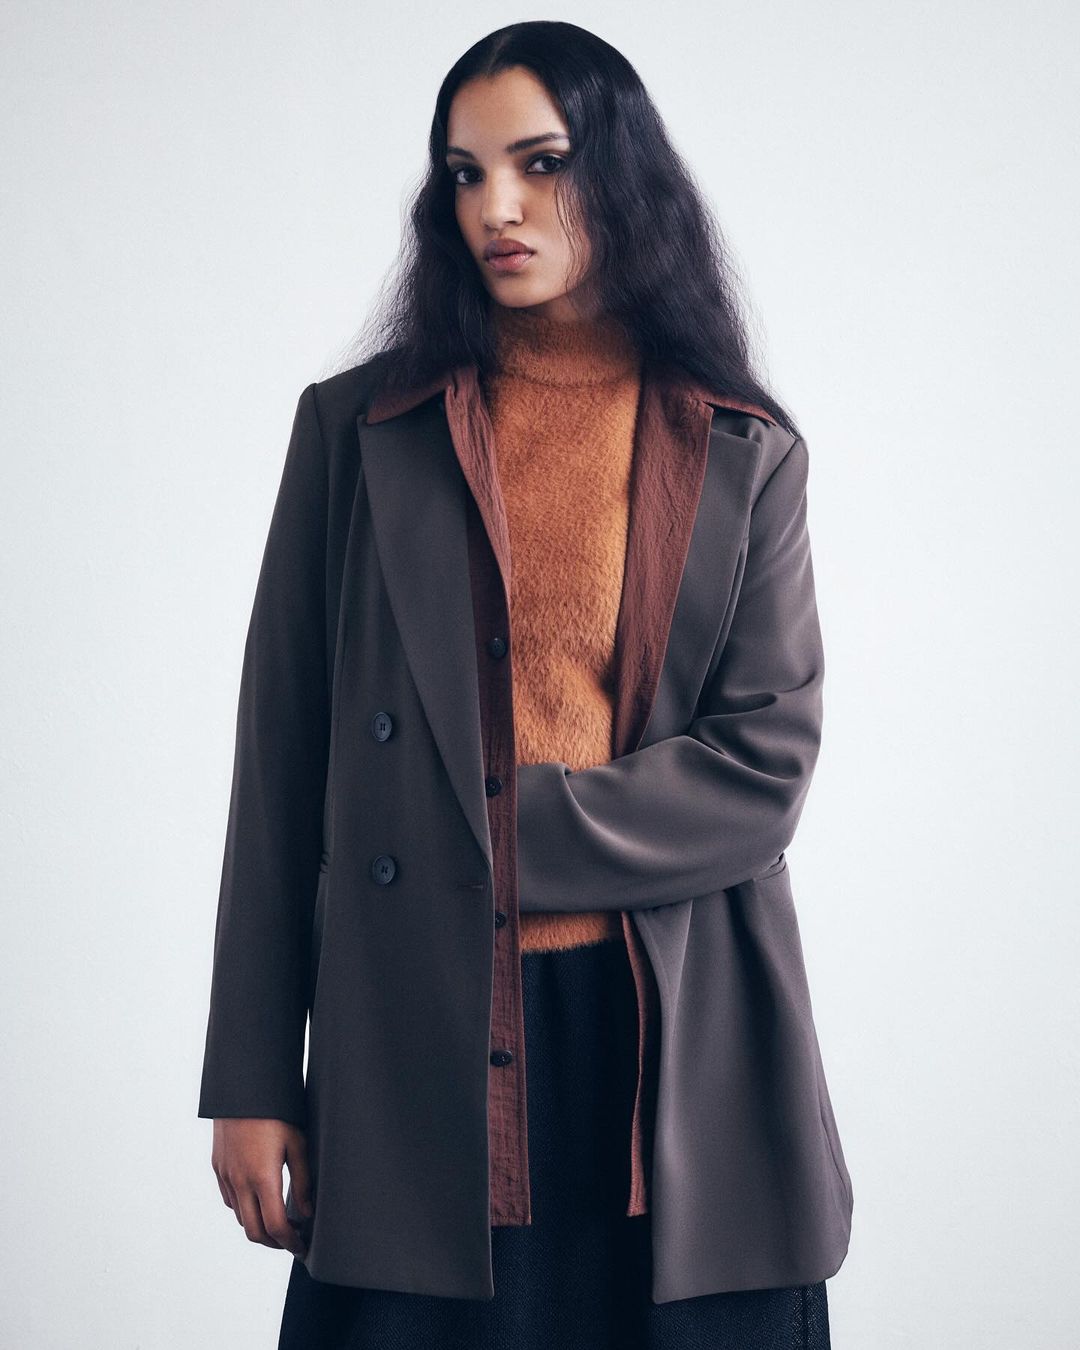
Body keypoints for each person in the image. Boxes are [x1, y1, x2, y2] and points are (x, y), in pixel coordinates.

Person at [198, 20, 851, 1350]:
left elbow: (761, 768)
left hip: (665, 1039)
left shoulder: (741, 447)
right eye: (464, 173)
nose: (496, 206)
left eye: (540, 163)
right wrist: (253, 1072)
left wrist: (472, 835)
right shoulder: (356, 432)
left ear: (621, 171)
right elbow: (281, 769)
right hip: (412, 1034)